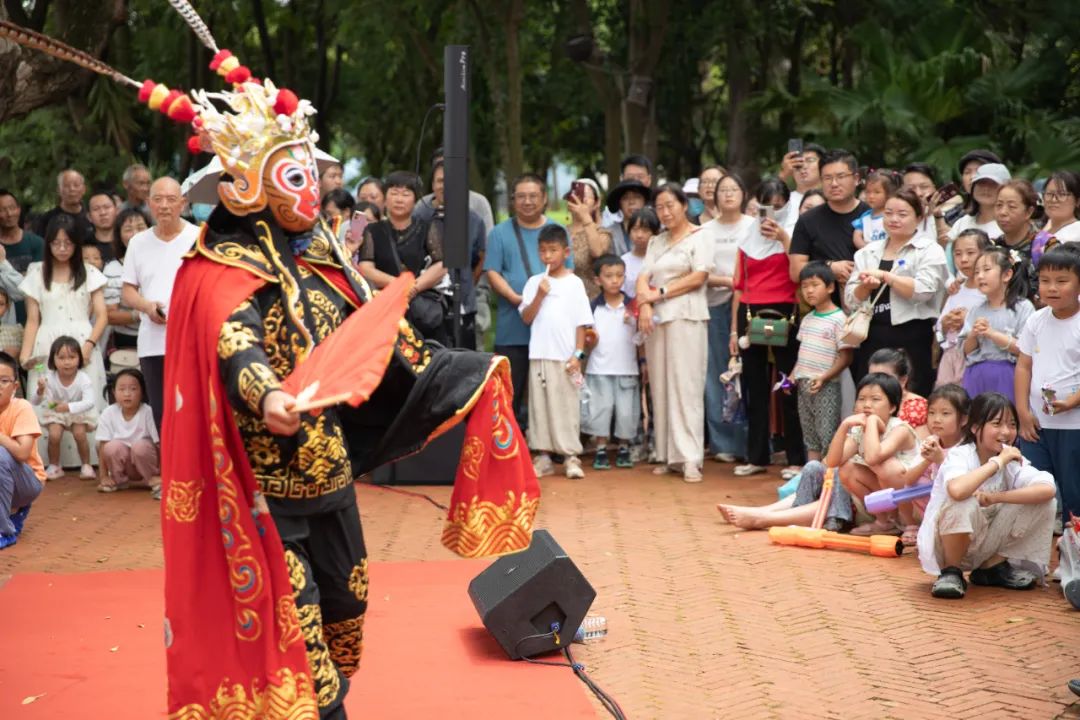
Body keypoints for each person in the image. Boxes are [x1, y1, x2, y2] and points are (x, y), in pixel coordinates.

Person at [919, 392, 1056, 599]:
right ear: (975, 428)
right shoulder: (961, 454)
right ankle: (951, 572)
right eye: (997, 424)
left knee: (1045, 503)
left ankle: (991, 567)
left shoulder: (1011, 460)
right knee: (963, 501)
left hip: (983, 545)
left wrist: (996, 497)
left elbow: (1047, 488)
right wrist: (997, 462)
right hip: (945, 549)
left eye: (1011, 424)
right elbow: (957, 490)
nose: (1006, 432)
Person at [729, 173, 804, 477]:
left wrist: (784, 237)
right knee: (754, 386)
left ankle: (796, 457)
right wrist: (734, 331)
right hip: (749, 311)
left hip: (786, 310)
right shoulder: (747, 237)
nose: (771, 214)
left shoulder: (796, 231)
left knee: (788, 384)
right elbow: (739, 284)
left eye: (778, 206)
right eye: (765, 207)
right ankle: (757, 456)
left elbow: (799, 271)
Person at [636, 183, 712, 482]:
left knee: (686, 386)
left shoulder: (701, 235)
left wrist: (660, 293)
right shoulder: (656, 242)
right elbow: (643, 277)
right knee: (661, 386)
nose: (665, 212)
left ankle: (690, 457)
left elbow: (699, 276)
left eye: (670, 205)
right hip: (657, 320)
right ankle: (669, 455)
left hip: (687, 316)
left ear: (684, 205)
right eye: (660, 207)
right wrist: (645, 305)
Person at [19, 215, 108, 462]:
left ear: (77, 245)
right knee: (46, 395)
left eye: (68, 243)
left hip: (82, 341)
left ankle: (90, 461)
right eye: (56, 243)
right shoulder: (36, 272)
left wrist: (89, 345)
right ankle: (49, 461)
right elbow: (33, 320)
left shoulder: (89, 272)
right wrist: (26, 356)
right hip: (46, 344)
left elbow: (102, 315)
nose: (61, 249)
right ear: (47, 244)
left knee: (85, 397)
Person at [846, 188, 948, 396]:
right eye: (888, 213)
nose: (894, 219)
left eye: (902, 214)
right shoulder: (867, 252)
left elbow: (924, 290)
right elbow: (850, 300)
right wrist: (865, 286)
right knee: (871, 396)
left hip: (913, 335)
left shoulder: (929, 249)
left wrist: (886, 277)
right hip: (871, 334)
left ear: (919, 217)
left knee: (912, 396)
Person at [484, 173, 566, 425]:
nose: (527, 201)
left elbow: (567, 270)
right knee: (510, 391)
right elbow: (492, 272)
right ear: (513, 201)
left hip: (550, 330)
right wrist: (516, 298)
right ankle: (509, 447)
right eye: (521, 196)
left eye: (533, 196)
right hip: (512, 327)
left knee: (551, 392)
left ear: (544, 199)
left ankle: (548, 446)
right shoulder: (499, 233)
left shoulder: (556, 230)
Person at [121, 177, 200, 430]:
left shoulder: (198, 238)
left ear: (183, 203)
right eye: (158, 199)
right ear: (148, 204)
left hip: (191, 338)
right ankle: (170, 469)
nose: (164, 205)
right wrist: (146, 306)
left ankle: (196, 469)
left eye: (171, 199)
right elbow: (128, 291)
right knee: (163, 414)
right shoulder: (138, 242)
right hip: (153, 342)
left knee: (193, 409)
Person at [519, 225, 593, 479]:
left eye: (553, 250)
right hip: (539, 354)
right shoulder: (533, 283)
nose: (547, 256)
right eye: (543, 251)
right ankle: (543, 456)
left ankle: (571, 456)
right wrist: (539, 295)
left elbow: (581, 323)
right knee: (540, 408)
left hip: (564, 357)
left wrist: (578, 354)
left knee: (566, 407)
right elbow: (527, 318)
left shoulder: (574, 284)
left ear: (566, 251)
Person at [1016, 244, 1080, 533]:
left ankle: (1072, 559)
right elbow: (1023, 366)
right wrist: (1022, 412)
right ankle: (1031, 559)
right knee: (1032, 485)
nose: (1052, 288)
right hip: (1037, 424)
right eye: (1045, 280)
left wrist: (1072, 402)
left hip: (1074, 424)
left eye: (1062, 281)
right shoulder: (1035, 320)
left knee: (1074, 494)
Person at [699, 174, 752, 462]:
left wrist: (740, 285)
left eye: (734, 189)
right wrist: (730, 281)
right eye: (723, 190)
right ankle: (723, 444)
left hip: (750, 304)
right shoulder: (705, 230)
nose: (728, 194)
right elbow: (698, 271)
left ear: (744, 194)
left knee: (750, 374)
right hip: (715, 307)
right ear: (714, 197)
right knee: (717, 374)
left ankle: (752, 443)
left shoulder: (753, 226)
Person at [832, 372, 921, 537]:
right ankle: (884, 522)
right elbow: (832, 462)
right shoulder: (859, 431)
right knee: (847, 469)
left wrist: (872, 421)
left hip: (917, 500)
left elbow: (873, 457)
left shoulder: (900, 429)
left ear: (893, 407)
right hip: (893, 497)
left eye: (875, 399)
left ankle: (911, 524)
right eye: (861, 399)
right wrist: (844, 425)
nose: (867, 405)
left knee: (887, 466)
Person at [418, 160, 487, 349]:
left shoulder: (474, 220)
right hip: (429, 307)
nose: (445, 186)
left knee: (465, 362)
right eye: (440, 181)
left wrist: (467, 283)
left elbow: (480, 257)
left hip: (465, 305)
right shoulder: (421, 217)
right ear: (433, 185)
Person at [789, 149, 870, 304]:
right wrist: (829, 267)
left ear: (856, 178)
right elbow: (795, 272)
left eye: (841, 177)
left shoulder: (873, 216)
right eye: (827, 178)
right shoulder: (808, 220)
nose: (834, 184)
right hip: (825, 311)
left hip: (871, 305)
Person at [582, 255, 640, 470]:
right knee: (600, 408)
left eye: (619, 275)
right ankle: (600, 448)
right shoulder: (592, 308)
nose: (615, 280)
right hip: (599, 367)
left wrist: (642, 360)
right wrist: (590, 340)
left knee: (626, 411)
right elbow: (586, 338)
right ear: (598, 280)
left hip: (627, 367)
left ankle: (624, 447)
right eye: (609, 276)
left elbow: (642, 336)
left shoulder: (633, 306)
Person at [792, 262, 853, 462]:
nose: (808, 291)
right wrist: (793, 376)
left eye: (814, 284)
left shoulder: (839, 319)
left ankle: (829, 484)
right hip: (804, 383)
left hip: (826, 385)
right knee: (810, 436)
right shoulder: (808, 318)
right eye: (804, 286)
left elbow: (846, 356)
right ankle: (813, 477)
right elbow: (803, 352)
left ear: (830, 287)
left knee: (828, 434)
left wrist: (824, 377)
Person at [960, 247, 1034, 401]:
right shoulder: (975, 310)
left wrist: (991, 333)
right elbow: (965, 350)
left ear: (1007, 274)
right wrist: (973, 335)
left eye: (986, 270)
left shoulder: (1023, 307)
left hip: (1009, 374)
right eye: (977, 272)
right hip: (976, 375)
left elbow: (1026, 348)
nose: (980, 276)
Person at [30, 335, 97, 480]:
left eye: (72, 357)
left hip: (77, 411)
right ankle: (54, 466)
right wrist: (40, 391)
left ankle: (86, 465)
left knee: (80, 434)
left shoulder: (83, 378)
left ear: (79, 358)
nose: (67, 362)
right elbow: (35, 401)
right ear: (53, 359)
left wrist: (68, 406)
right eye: (61, 358)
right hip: (56, 412)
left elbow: (89, 401)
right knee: (54, 434)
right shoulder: (49, 378)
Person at [0, 351, 45, 550]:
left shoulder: (22, 407)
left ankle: (4, 531)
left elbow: (22, 454)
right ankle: (13, 513)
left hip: (28, 481)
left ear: (15, 386)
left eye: (3, 381)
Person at [936, 229, 990, 387]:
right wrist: (946, 323)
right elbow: (940, 326)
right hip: (951, 356)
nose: (963, 259)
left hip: (976, 356)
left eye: (970, 253)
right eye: (958, 254)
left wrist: (967, 319)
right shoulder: (957, 289)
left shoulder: (988, 291)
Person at [95, 367, 159, 497]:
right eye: (122, 389)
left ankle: (152, 480)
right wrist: (103, 477)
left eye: (133, 389)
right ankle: (118, 480)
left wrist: (164, 475)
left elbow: (159, 445)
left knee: (140, 446)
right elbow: (103, 445)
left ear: (142, 392)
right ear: (114, 391)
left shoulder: (148, 412)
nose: (127, 394)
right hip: (126, 465)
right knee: (111, 446)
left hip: (145, 462)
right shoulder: (109, 413)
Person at [941, 163, 1006, 273]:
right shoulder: (962, 223)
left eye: (992, 185)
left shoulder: (1007, 224)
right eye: (981, 184)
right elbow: (949, 266)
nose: (986, 189)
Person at [103, 207, 150, 352]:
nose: (135, 234)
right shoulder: (113, 269)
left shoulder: (164, 262)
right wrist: (142, 314)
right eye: (128, 229)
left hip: (161, 338)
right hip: (126, 343)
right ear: (119, 235)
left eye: (141, 227)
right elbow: (109, 315)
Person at [992, 179, 1040, 302]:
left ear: (1029, 212)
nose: (1003, 212)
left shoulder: (1045, 245)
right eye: (999, 205)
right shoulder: (992, 246)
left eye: (1011, 206)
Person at [565, 178, 612, 299]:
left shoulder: (602, 232)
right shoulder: (560, 232)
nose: (582, 200)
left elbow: (597, 252)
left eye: (587, 196)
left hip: (591, 301)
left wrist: (586, 218)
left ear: (596, 203)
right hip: (564, 301)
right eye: (578, 194)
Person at [777, 142, 826, 235]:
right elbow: (765, 209)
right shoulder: (782, 200)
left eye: (810, 160)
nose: (803, 166)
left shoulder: (833, 198)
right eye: (798, 163)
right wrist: (783, 174)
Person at [33, 169, 92, 243]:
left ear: (84, 189)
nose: (72, 189)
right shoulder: (46, 220)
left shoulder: (92, 217)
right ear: (59, 190)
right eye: (67, 186)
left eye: (76, 185)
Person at [1033, 170, 1080, 263]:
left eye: (1062, 194)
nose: (1054, 200)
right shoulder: (1041, 228)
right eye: (1049, 194)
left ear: (1077, 201)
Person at [600, 155, 654, 228]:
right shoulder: (609, 215)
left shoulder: (660, 210)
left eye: (640, 177)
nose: (635, 180)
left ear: (649, 179)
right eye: (630, 177)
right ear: (622, 178)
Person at [602, 180, 650, 256]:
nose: (631, 202)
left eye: (637, 197)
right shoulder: (609, 233)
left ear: (645, 201)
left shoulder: (655, 230)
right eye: (625, 198)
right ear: (619, 204)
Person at [852, 170, 898, 248]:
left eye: (877, 192)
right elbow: (857, 237)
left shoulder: (893, 215)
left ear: (889, 194)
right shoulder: (865, 216)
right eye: (868, 192)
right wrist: (866, 248)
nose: (871, 196)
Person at [620, 207, 657, 299]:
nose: (639, 235)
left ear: (655, 233)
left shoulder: (661, 259)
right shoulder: (623, 261)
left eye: (645, 230)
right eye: (635, 229)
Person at [0, 289, 22, 359]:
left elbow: (39, 366)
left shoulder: (18, 332)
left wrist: (19, 354)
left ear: (7, 307)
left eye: (1, 304)